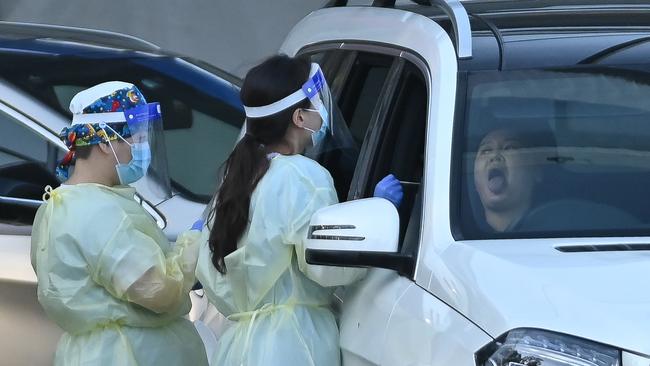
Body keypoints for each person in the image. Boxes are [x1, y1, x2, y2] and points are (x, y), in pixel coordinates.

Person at [194, 55, 403, 366]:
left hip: (239, 347)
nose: (322, 110)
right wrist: (378, 209)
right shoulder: (303, 176)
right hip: (294, 347)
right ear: (299, 118)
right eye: (316, 103)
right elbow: (329, 267)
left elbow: (213, 274)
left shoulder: (238, 177)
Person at [30, 81, 208, 366]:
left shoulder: (65, 204)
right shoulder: (96, 212)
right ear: (104, 142)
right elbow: (158, 290)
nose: (141, 147)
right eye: (135, 138)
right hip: (126, 355)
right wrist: (194, 244)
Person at [473, 125, 553, 232]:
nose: (495, 156)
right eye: (486, 150)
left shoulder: (554, 229)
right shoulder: (456, 236)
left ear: (536, 171)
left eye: (509, 148)